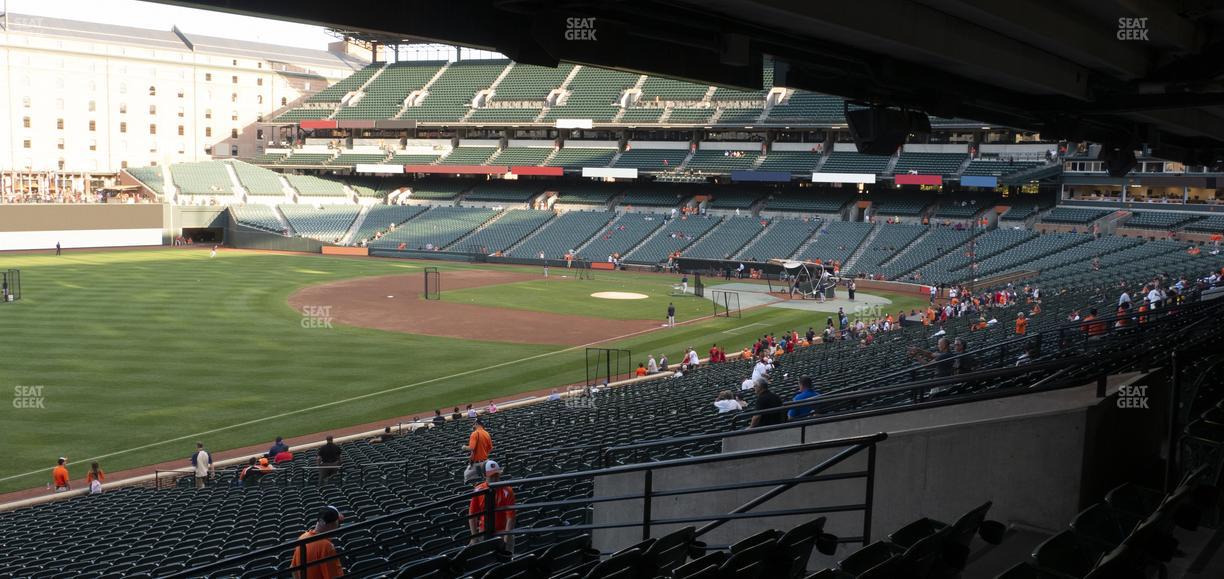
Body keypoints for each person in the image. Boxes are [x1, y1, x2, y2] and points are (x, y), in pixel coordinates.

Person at [468, 460, 516, 553]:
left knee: (506, 555)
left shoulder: (508, 490)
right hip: (484, 531)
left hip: (503, 531)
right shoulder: (478, 490)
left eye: (497, 475)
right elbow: (472, 515)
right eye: (492, 476)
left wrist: (506, 538)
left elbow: (511, 518)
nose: (495, 478)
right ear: (485, 476)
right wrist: (474, 536)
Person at [291, 506, 345, 579]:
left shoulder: (302, 537)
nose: (338, 526)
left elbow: (293, 569)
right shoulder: (326, 546)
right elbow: (332, 576)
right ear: (331, 525)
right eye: (338, 523)